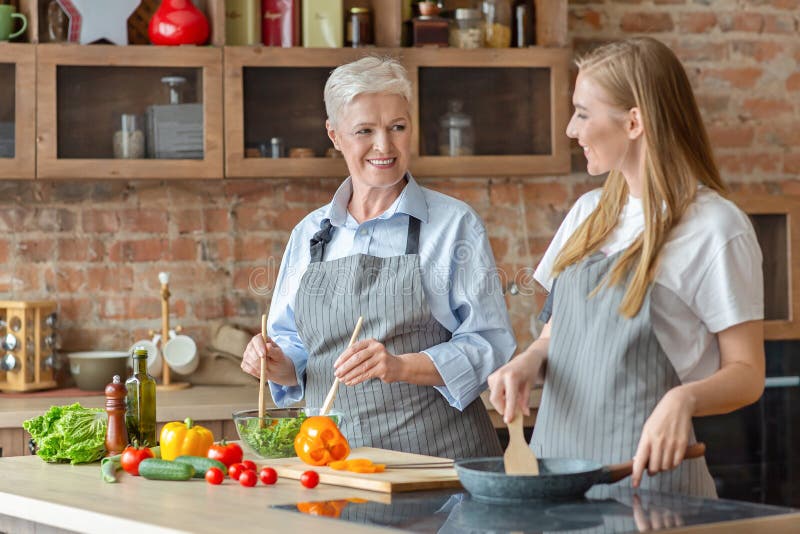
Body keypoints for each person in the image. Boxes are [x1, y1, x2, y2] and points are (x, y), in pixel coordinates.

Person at [488, 37, 765, 497]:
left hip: (649, 491)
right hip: (554, 483)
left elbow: (747, 372)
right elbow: (557, 336)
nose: (571, 130)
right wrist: (527, 363)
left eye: (582, 113)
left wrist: (683, 399)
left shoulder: (715, 226)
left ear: (634, 122)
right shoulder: (587, 214)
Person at [241, 56, 516, 459]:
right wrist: (274, 362)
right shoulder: (309, 234)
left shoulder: (453, 224)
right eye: (364, 131)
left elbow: (490, 344)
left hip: (436, 467)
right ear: (334, 135)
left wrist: (400, 367)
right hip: (334, 464)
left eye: (397, 127)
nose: (384, 146)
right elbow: (296, 348)